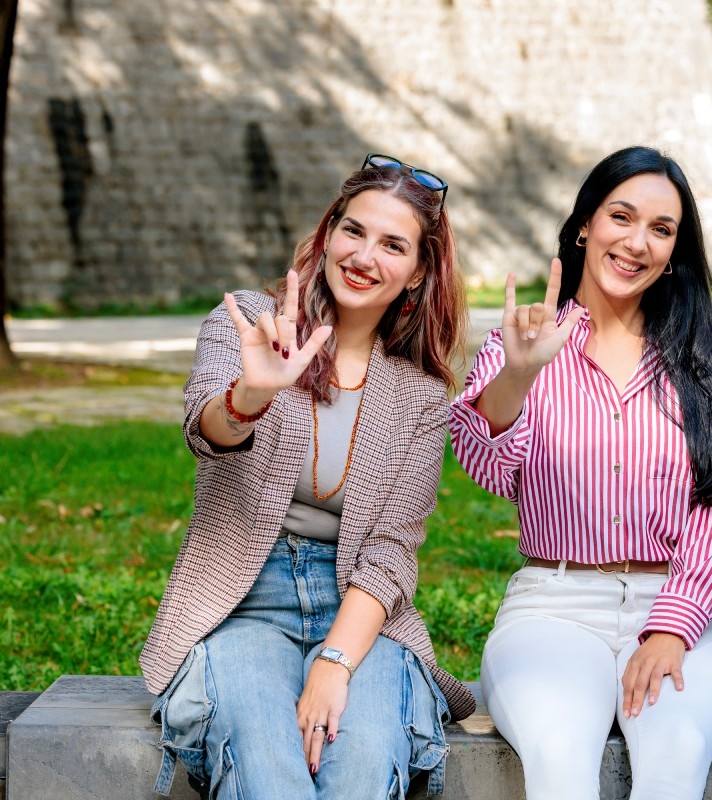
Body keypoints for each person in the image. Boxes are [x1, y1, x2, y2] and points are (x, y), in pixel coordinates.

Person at [140, 154, 476, 799]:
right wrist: (250, 396)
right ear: (326, 236)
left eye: (393, 245)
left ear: (417, 273)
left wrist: (336, 660)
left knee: (363, 764)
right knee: (267, 769)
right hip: (239, 602)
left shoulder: (421, 393)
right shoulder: (249, 322)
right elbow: (204, 433)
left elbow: (390, 554)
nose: (365, 256)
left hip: (360, 611)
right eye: (353, 231)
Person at [448, 146, 712, 800]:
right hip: (552, 608)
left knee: (673, 758)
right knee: (559, 761)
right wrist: (522, 373)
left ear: (676, 249)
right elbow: (487, 465)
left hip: (688, 612)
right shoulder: (521, 342)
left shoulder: (708, 356)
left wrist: (673, 626)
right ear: (586, 222)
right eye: (622, 216)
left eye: (661, 229)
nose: (637, 242)